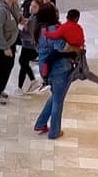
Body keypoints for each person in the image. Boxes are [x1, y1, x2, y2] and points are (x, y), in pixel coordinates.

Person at [34, 7, 82, 139]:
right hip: (60, 69)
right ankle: (54, 131)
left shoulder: (40, 29)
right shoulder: (52, 30)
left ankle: (41, 123)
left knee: (56, 96)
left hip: (47, 68)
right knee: (58, 101)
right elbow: (62, 47)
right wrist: (77, 49)